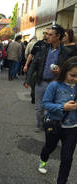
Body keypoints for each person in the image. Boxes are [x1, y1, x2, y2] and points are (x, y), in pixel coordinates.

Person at [38, 56, 77, 184]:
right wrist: (62, 107)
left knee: (67, 158)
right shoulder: (54, 85)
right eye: (72, 75)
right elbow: (45, 104)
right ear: (64, 71)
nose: (75, 79)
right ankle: (43, 159)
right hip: (54, 124)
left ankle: (61, 181)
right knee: (49, 147)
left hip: (72, 128)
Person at [24, 24, 71, 130]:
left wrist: (61, 71)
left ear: (58, 36)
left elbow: (70, 69)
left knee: (53, 107)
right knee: (38, 108)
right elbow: (34, 64)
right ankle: (40, 125)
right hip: (41, 82)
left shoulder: (66, 52)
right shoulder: (43, 48)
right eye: (46, 34)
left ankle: (50, 125)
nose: (47, 36)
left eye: (50, 35)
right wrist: (27, 79)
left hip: (56, 84)